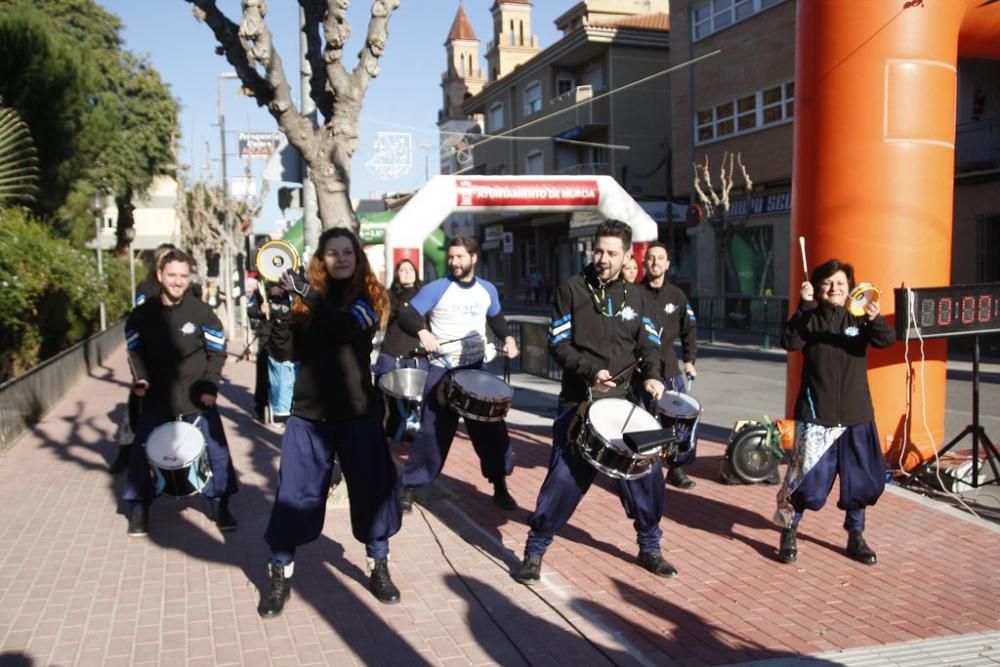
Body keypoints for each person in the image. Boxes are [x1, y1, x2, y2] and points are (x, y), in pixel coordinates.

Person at [513, 220, 671, 585]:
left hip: (626, 404)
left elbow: (649, 345)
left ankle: (650, 547)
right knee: (563, 481)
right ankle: (535, 550)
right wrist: (591, 371)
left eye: (611, 253)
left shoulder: (638, 297)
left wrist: (653, 375)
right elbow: (558, 343)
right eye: (597, 250)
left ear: (626, 256)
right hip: (579, 402)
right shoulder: (571, 290)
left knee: (646, 479)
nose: (601, 258)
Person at [257, 228, 402, 618]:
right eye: (332, 253)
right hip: (309, 416)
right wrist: (281, 314)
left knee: (371, 492)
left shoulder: (370, 297)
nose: (339, 259)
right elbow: (284, 352)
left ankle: (378, 565)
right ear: (321, 260)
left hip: (357, 414)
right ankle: (279, 573)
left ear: (357, 258)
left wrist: (306, 294)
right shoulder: (306, 300)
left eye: (347, 252)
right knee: (293, 495)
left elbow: (343, 328)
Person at [775, 258, 895, 566]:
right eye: (828, 284)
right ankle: (789, 530)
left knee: (860, 483)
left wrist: (875, 318)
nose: (834, 289)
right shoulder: (810, 319)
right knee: (806, 486)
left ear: (850, 289)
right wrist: (802, 307)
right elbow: (789, 341)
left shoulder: (858, 321)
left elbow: (886, 340)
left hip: (856, 415)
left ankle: (856, 535)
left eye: (841, 284)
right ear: (817, 289)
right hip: (817, 417)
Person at [396, 237, 520, 513]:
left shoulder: (487, 290)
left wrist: (509, 338)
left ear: (474, 258)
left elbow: (496, 319)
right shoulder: (437, 288)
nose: (454, 262)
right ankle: (410, 487)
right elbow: (406, 315)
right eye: (451, 257)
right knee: (431, 434)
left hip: (475, 370)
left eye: (460, 257)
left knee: (492, 433)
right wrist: (423, 331)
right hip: (443, 371)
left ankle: (500, 487)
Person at [122, 249, 239, 536]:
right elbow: (134, 352)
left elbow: (217, 352)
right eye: (172, 275)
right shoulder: (141, 315)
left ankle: (219, 504)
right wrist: (141, 380)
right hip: (155, 400)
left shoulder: (202, 313)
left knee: (217, 453)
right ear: (160, 275)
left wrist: (210, 385)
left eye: (183, 276)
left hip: (198, 399)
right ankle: (139, 509)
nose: (177, 282)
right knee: (142, 455)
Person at [634, 242, 700, 489]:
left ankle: (676, 469)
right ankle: (639, 470)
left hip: (670, 369)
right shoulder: (633, 294)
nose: (655, 263)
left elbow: (689, 329)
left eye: (660, 258)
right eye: (651, 258)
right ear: (644, 262)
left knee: (678, 422)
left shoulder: (677, 296)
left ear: (667, 264)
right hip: (641, 371)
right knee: (642, 421)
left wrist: (690, 360)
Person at [109, 243, 177, 474]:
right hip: (147, 360)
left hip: (174, 364)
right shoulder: (145, 288)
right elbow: (136, 323)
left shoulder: (183, 289)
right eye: (165, 260)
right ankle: (126, 454)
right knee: (135, 411)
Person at [373, 259, 425, 440]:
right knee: (384, 398)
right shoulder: (389, 295)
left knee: (414, 402)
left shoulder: (423, 294)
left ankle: (410, 436)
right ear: (397, 274)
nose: (407, 273)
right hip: (391, 353)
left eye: (410, 269)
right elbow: (385, 315)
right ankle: (385, 436)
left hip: (416, 355)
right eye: (402, 270)